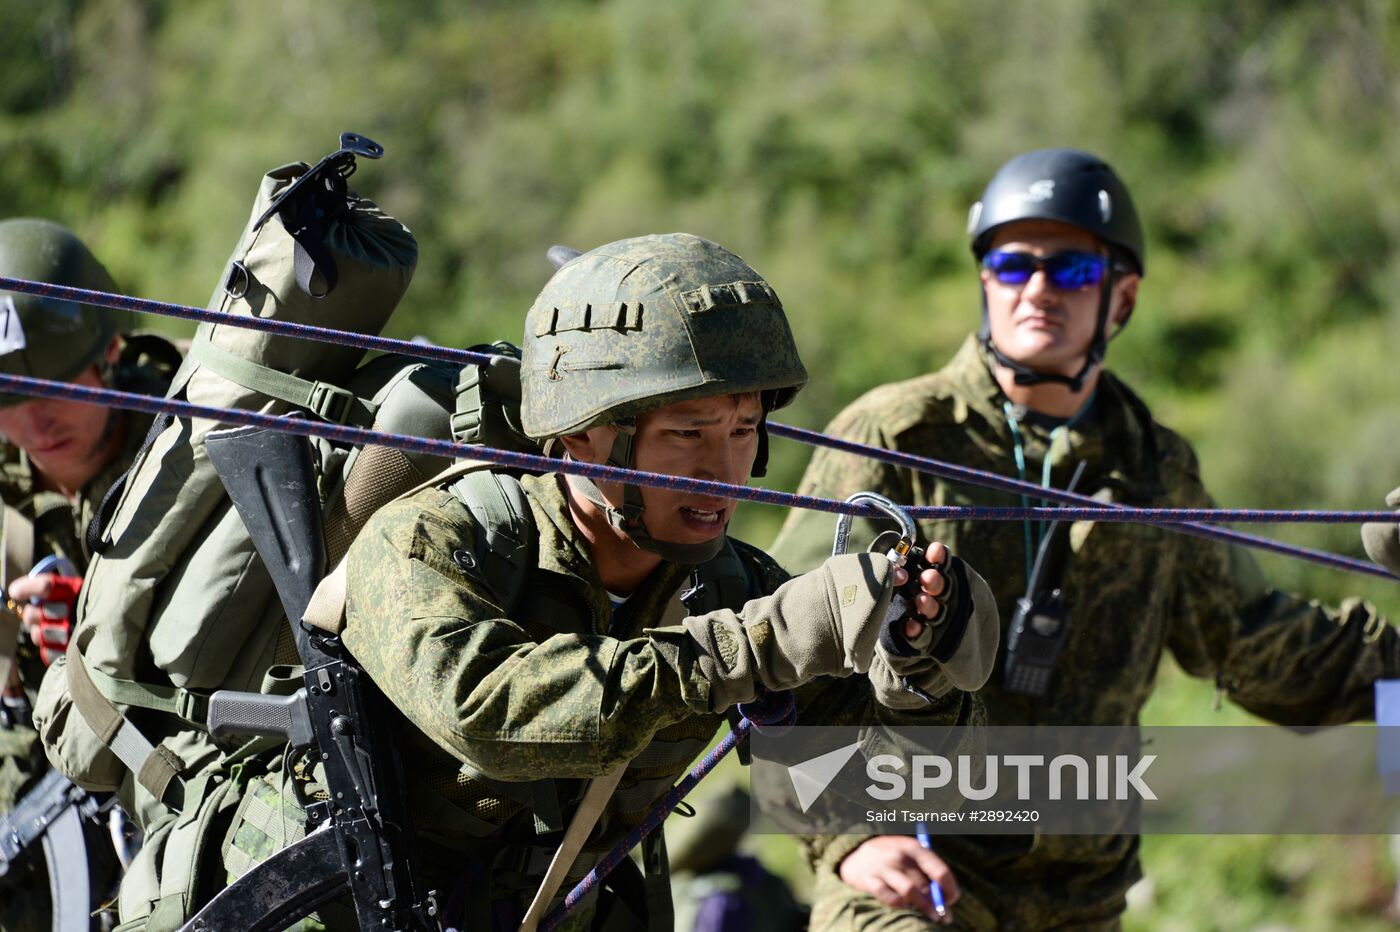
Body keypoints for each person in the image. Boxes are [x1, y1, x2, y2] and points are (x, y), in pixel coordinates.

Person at [770, 149, 1400, 930]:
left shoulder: (1155, 470)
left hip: (1081, 900)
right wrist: (848, 837)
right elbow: (784, 657)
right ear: (985, 283)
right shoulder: (895, 436)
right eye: (1011, 264)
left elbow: (1258, 646)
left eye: (1069, 269)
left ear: (1122, 296)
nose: (1036, 288)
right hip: (912, 879)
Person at [321, 232, 999, 930]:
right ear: (583, 433)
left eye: (743, 430)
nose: (723, 470)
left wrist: (921, 675)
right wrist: (754, 649)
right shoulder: (436, 536)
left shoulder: (730, 583)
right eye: (687, 433)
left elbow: (865, 786)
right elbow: (488, 713)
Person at [0, 218, 181, 931]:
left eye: (54, 387)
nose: (36, 423)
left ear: (109, 352)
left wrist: (100, 621)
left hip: (181, 755)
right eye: (8, 403)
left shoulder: (189, 441)